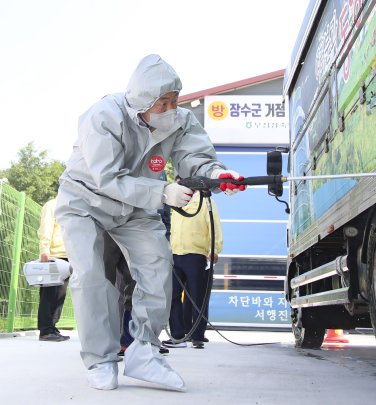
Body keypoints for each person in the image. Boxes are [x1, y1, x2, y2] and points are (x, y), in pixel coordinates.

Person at [55, 54, 246, 392]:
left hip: (136, 208)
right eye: (164, 102)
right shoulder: (102, 117)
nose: (172, 108)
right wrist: (163, 191)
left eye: (175, 100)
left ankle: (143, 351)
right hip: (86, 201)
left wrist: (217, 174)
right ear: (143, 101)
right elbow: (108, 178)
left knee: (158, 265)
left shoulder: (179, 120)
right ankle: (101, 358)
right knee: (89, 275)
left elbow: (194, 157)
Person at [162, 190, 223, 350]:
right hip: (175, 254)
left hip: (196, 254)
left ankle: (197, 336)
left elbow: (214, 225)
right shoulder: (175, 203)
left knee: (198, 297)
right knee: (173, 295)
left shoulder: (205, 202)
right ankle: (178, 336)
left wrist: (214, 248)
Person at [37, 198, 70, 342]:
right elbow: (46, 228)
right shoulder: (52, 205)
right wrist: (44, 250)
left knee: (60, 294)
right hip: (53, 255)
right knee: (49, 294)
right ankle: (45, 330)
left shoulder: (72, 205)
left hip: (67, 255)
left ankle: (52, 327)